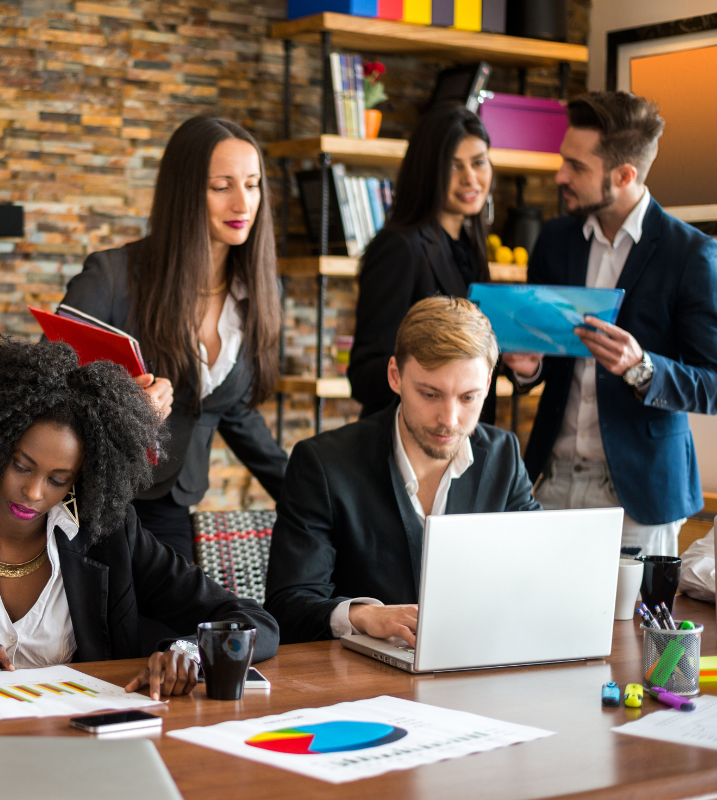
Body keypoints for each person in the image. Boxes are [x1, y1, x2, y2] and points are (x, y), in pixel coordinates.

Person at [0, 334, 279, 698]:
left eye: (57, 478)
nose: (33, 492)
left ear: (80, 480)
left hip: (90, 751)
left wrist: (188, 651)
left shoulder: (110, 537)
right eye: (21, 465)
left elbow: (253, 622)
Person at [59, 116, 287, 561]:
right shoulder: (111, 276)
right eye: (222, 186)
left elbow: (232, 408)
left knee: (175, 628)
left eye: (253, 184)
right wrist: (124, 401)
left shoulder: (261, 290)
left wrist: (313, 490)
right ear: (184, 192)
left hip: (168, 508)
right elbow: (42, 388)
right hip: (83, 504)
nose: (243, 202)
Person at [503, 91, 717, 558]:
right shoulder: (554, 242)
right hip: (547, 481)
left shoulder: (691, 255)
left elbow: (714, 383)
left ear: (624, 175)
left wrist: (641, 366)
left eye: (576, 167)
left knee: (628, 633)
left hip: (639, 498)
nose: (560, 176)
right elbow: (540, 366)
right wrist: (524, 366)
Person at [265, 297, 540, 645]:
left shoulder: (505, 456)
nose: (449, 420)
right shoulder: (322, 464)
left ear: (487, 384)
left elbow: (538, 573)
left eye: (468, 398)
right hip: (358, 686)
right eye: (430, 394)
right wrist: (362, 615)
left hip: (478, 675)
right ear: (395, 376)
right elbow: (286, 606)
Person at [349, 102, 500, 424]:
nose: (471, 178)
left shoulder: (470, 247)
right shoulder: (399, 248)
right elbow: (365, 374)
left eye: (479, 162)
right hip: (406, 442)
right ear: (427, 170)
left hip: (463, 442)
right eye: (453, 166)